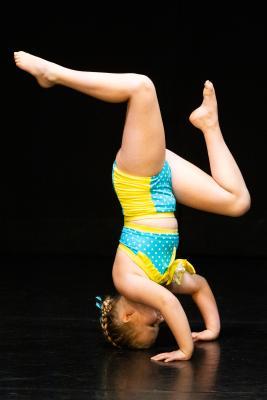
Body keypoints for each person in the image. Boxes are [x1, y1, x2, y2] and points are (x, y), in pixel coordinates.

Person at [14, 51, 251, 362]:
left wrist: (186, 348)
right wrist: (212, 329)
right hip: (162, 184)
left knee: (142, 89)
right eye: (160, 329)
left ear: (127, 317)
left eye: (151, 327)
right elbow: (199, 287)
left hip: (138, 180)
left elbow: (168, 304)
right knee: (238, 203)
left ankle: (54, 74)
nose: (161, 322)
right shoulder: (161, 277)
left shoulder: (127, 280)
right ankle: (208, 125)